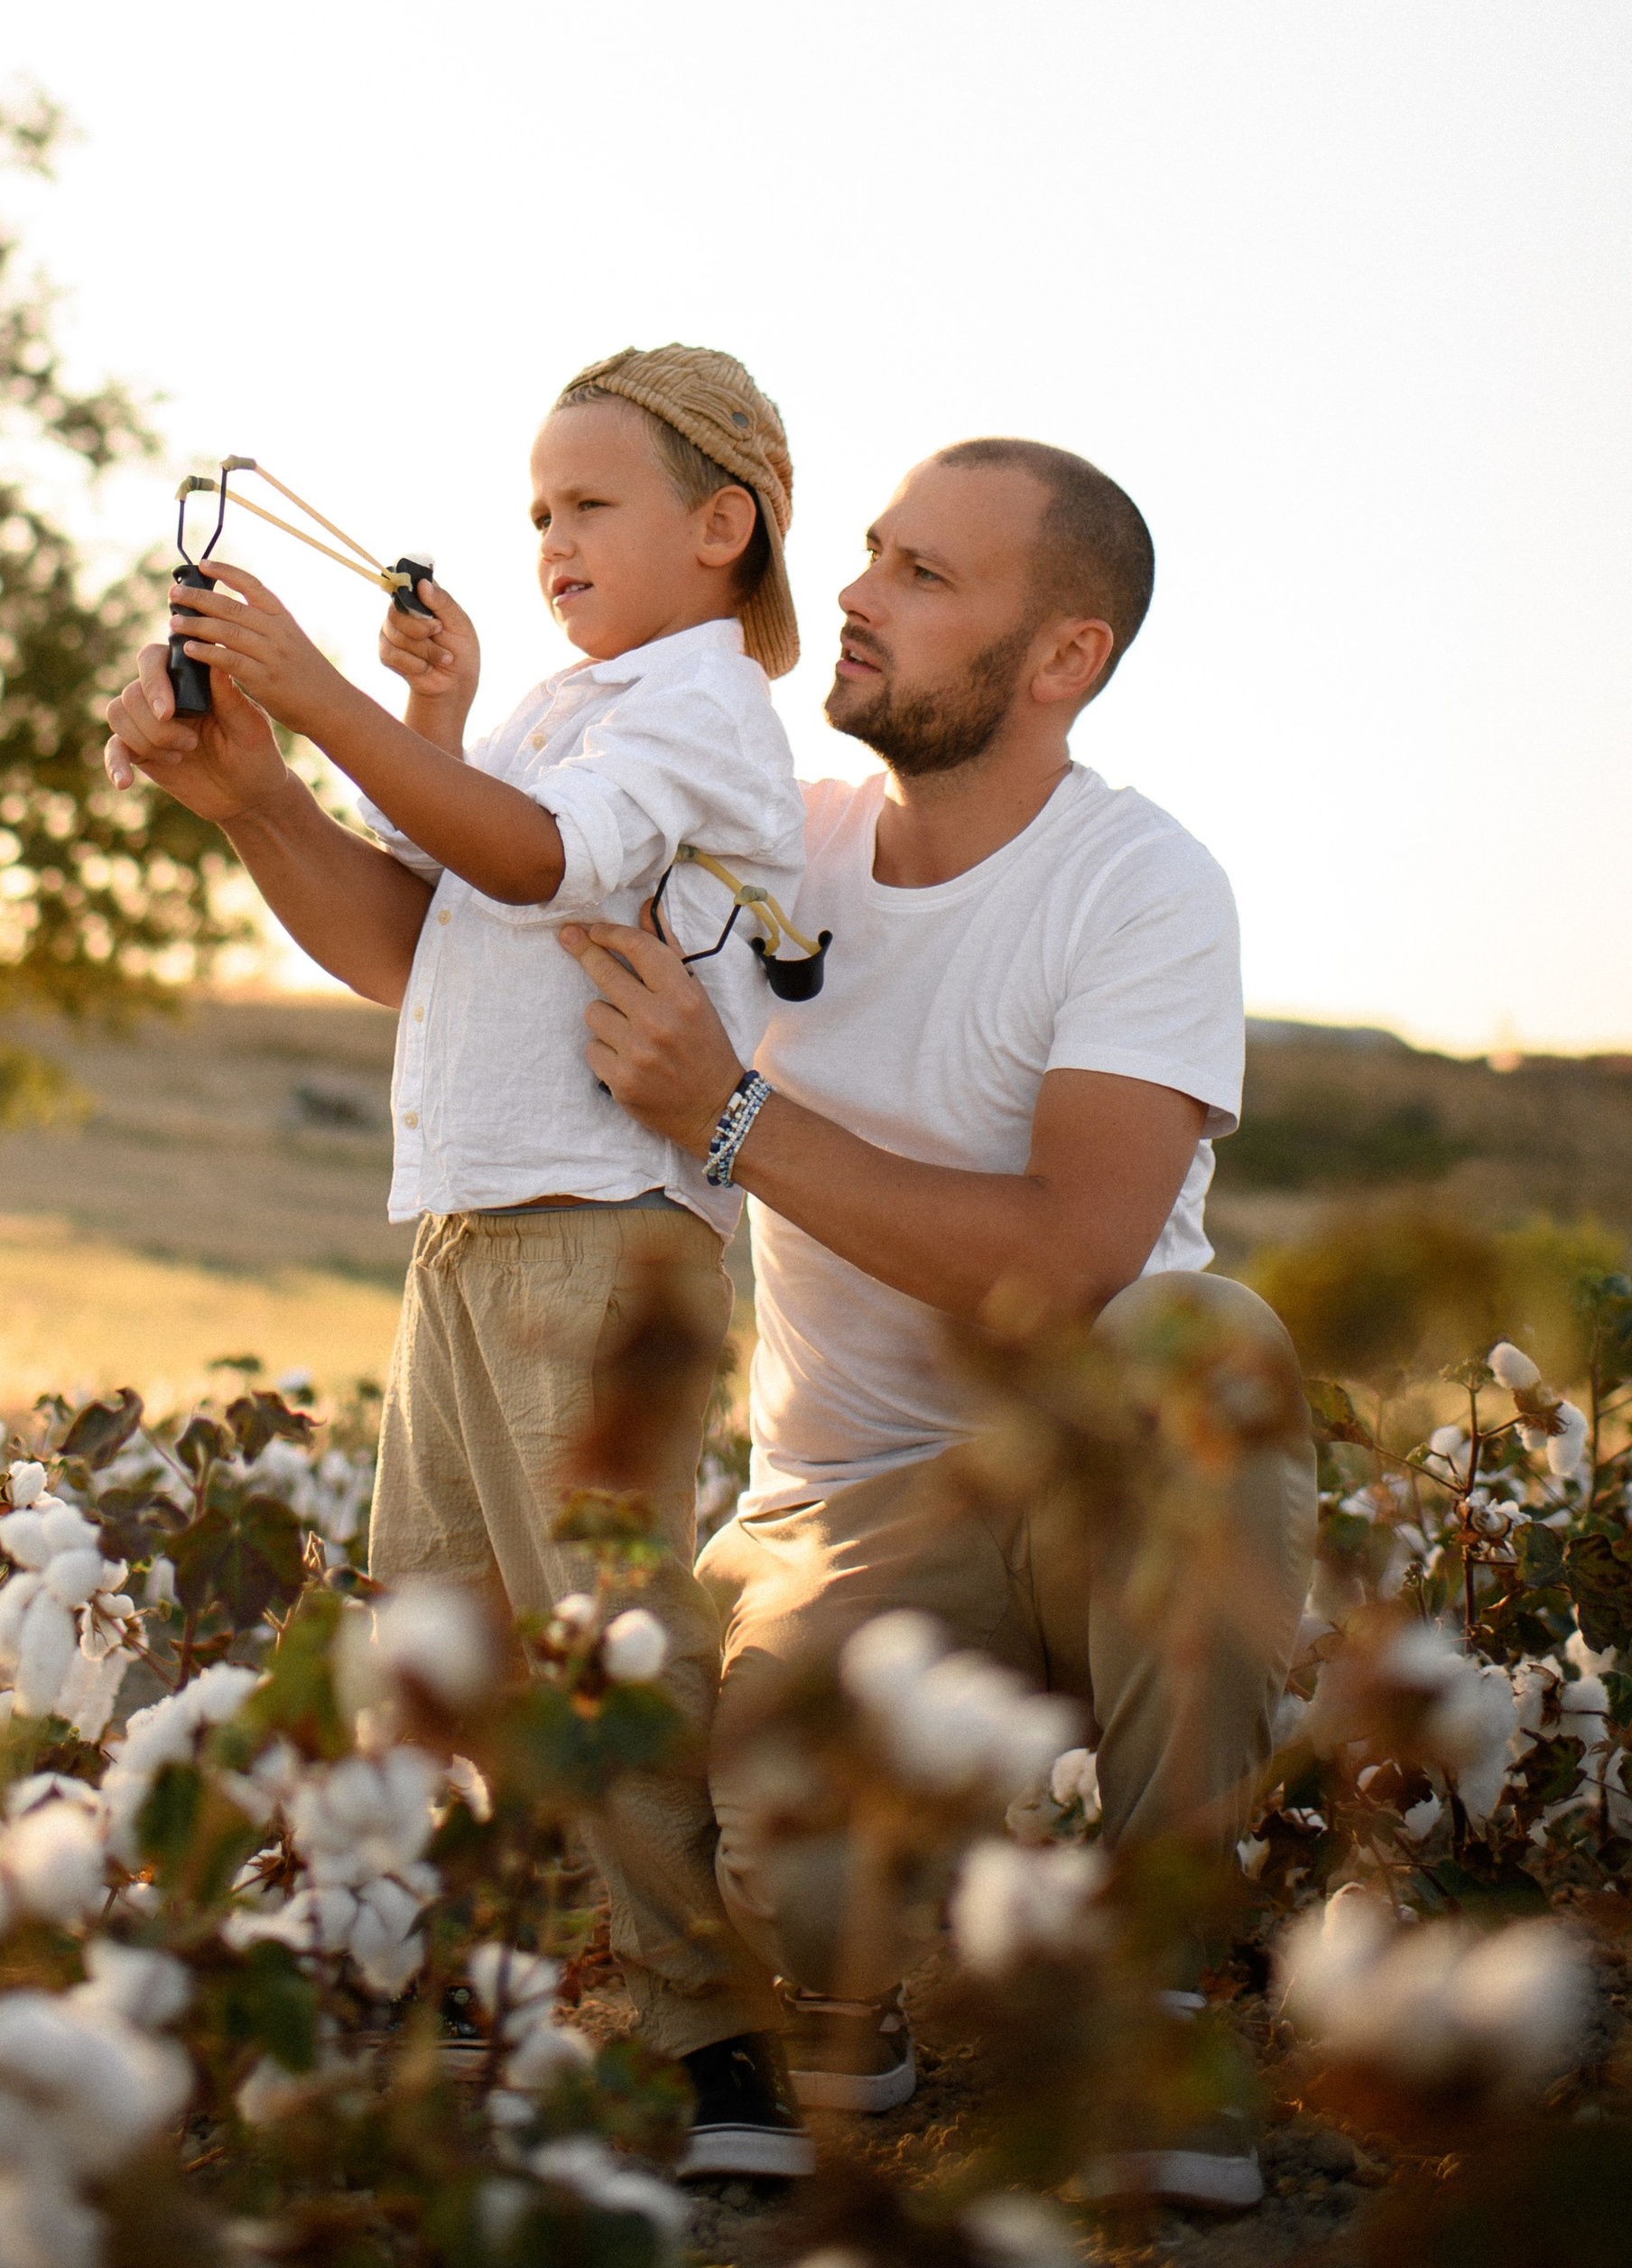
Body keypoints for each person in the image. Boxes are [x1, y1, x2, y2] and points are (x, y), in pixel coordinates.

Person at [560, 438, 1317, 2216]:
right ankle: (847, 1985)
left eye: (921, 573)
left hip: (1088, 1489)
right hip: (832, 1516)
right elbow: (471, 914)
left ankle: (1159, 1995)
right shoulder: (773, 845)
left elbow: (1069, 1254)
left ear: (1058, 657)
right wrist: (262, 792)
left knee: (1194, 1340)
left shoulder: (1137, 884)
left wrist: (729, 1114)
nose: (850, 592)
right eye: (870, 554)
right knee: (790, 1876)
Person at [103, 346, 821, 2176]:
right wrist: (256, 784)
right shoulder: (563, 712)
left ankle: (718, 2046)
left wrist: (337, 698)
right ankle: (411, 1993)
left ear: (718, 526)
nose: (550, 540)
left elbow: (537, 856)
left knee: (602, 1644)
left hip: (594, 1238)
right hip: (471, 1231)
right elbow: (399, 943)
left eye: (587, 505)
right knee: (433, 1640)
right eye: (535, 514)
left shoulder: (699, 709)